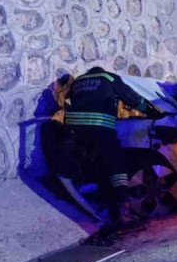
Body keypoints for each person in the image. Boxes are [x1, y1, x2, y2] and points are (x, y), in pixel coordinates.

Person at [65, 66, 162, 229]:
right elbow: (132, 98)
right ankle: (124, 211)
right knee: (116, 163)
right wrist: (151, 111)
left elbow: (78, 101)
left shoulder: (79, 81)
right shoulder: (109, 78)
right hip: (100, 125)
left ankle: (105, 204)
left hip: (75, 129)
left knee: (97, 164)